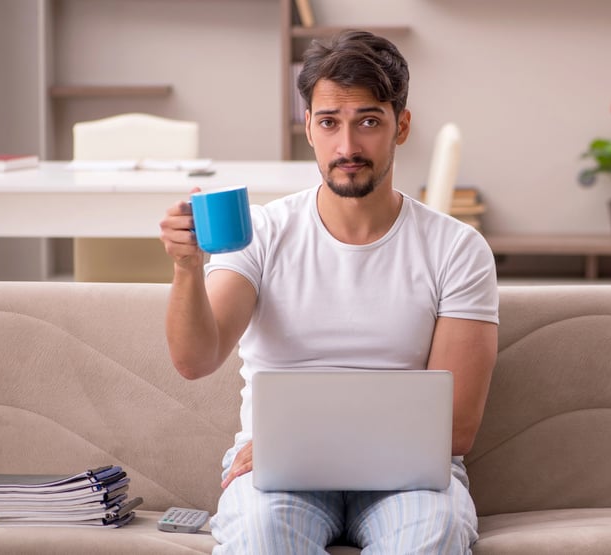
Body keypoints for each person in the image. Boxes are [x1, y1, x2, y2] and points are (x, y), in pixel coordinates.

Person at [158, 30, 499, 554]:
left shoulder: (456, 248)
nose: (347, 146)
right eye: (328, 122)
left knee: (436, 530)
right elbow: (195, 359)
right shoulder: (262, 232)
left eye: (368, 121)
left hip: (408, 473)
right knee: (260, 533)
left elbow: (455, 428)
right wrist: (186, 267)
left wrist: (307, 438)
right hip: (280, 468)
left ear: (401, 126)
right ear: (308, 128)